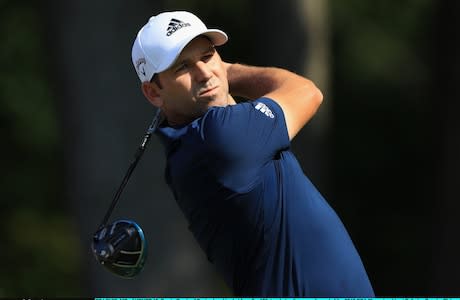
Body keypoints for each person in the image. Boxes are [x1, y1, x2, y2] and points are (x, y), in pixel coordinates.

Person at [131, 10, 374, 297]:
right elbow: (307, 92)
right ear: (153, 94)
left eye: (208, 56)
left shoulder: (190, 146)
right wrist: (228, 72)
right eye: (182, 67)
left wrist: (214, 78)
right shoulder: (222, 136)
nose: (204, 72)